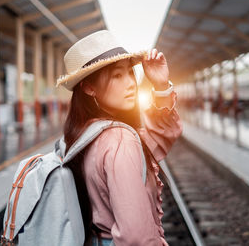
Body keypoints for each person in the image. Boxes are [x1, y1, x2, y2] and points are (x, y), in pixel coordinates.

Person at [56, 30, 183, 246]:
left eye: (130, 73)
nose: (131, 83)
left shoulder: (83, 135)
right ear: (89, 87)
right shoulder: (120, 140)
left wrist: (161, 87)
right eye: (117, 75)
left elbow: (153, 140)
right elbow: (137, 238)